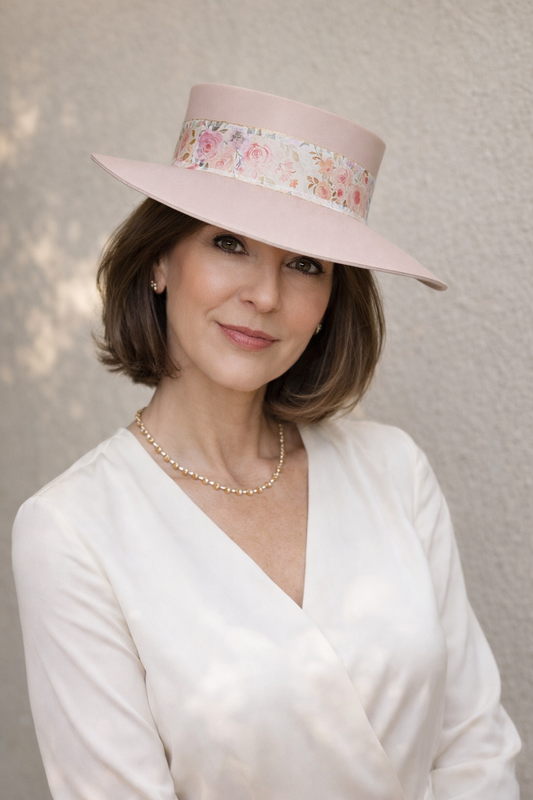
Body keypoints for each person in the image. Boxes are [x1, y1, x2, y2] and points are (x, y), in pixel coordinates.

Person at [12, 83, 521, 800]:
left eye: (305, 263)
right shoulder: (70, 531)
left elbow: (474, 743)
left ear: (327, 307)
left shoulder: (393, 470)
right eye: (229, 244)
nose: (265, 295)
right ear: (160, 262)